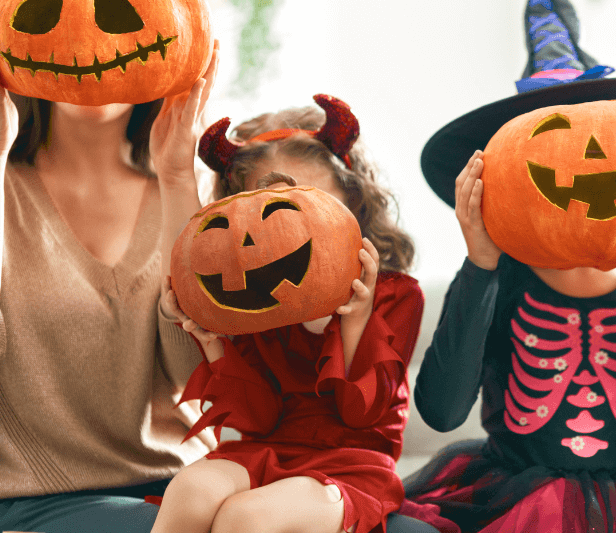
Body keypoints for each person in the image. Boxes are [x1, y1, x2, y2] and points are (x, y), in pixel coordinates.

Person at [403, 0, 616, 533]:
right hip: (508, 490)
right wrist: (481, 263)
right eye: (552, 141)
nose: (586, 164)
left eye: (613, 138)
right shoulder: (502, 282)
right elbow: (441, 411)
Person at [0, 0, 217, 533]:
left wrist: (178, 178)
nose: (87, 39)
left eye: (121, 15)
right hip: (37, 498)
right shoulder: (5, 188)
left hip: (184, 489)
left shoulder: (187, 189)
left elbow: (197, 379)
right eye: (55, 12)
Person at [151, 94, 431, 533]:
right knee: (190, 489)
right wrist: (212, 338)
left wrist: (354, 319)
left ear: (351, 202)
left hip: (351, 464)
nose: (291, 228)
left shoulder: (395, 296)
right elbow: (256, 419)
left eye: (306, 203)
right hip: (266, 448)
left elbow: (364, 417)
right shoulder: (253, 304)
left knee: (247, 517)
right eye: (269, 212)